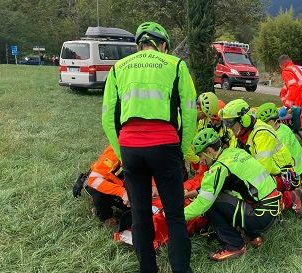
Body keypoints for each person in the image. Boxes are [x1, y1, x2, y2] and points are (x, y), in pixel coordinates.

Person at [102, 21, 196, 273]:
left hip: (131, 149)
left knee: (141, 217)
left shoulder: (118, 67)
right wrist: (183, 151)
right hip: (166, 147)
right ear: (163, 44)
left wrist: (121, 152)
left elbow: (108, 116)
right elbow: (189, 113)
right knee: (175, 216)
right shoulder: (175, 64)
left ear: (140, 44)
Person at [185, 128, 282, 261]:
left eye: (200, 156)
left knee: (211, 204)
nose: (200, 161)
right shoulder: (233, 152)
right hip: (271, 209)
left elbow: (203, 202)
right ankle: (253, 236)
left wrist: (176, 215)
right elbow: (213, 187)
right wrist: (187, 195)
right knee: (221, 193)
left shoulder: (219, 166)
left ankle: (234, 246)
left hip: (260, 217)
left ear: (209, 151)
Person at [220, 99, 302, 215]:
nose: (228, 127)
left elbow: (263, 170)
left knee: (251, 189)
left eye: (230, 123)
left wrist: (242, 181)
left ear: (243, 120)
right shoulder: (241, 133)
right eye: (226, 123)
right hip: (272, 173)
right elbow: (233, 155)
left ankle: (291, 198)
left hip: (286, 175)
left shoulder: (261, 133)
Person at [73, 145, 129, 226]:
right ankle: (105, 216)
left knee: (133, 210)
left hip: (123, 185)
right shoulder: (116, 152)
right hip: (100, 183)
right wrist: (123, 193)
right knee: (98, 191)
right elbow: (94, 180)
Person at [256, 102, 302, 186]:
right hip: (299, 169)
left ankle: (292, 195)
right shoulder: (283, 128)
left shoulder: (278, 137)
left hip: (295, 175)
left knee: (261, 181)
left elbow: (273, 164)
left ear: (271, 122)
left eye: (262, 124)